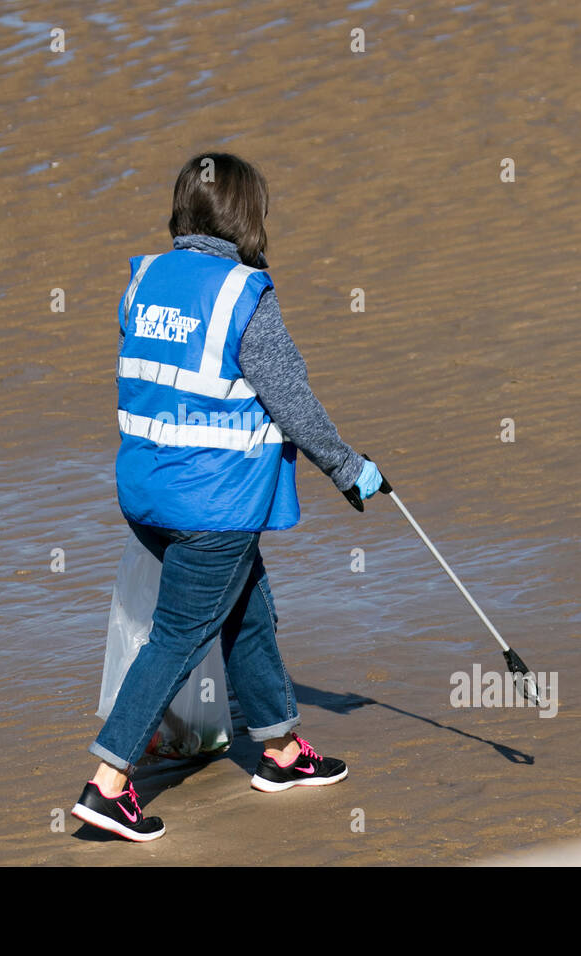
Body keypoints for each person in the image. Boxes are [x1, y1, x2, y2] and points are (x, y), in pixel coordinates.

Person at [70, 152, 384, 842]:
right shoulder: (245, 293)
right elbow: (292, 402)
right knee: (180, 636)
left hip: (146, 492)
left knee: (246, 612)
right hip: (213, 506)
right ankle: (107, 784)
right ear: (246, 215)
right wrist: (350, 469)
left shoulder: (145, 280)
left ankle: (281, 751)